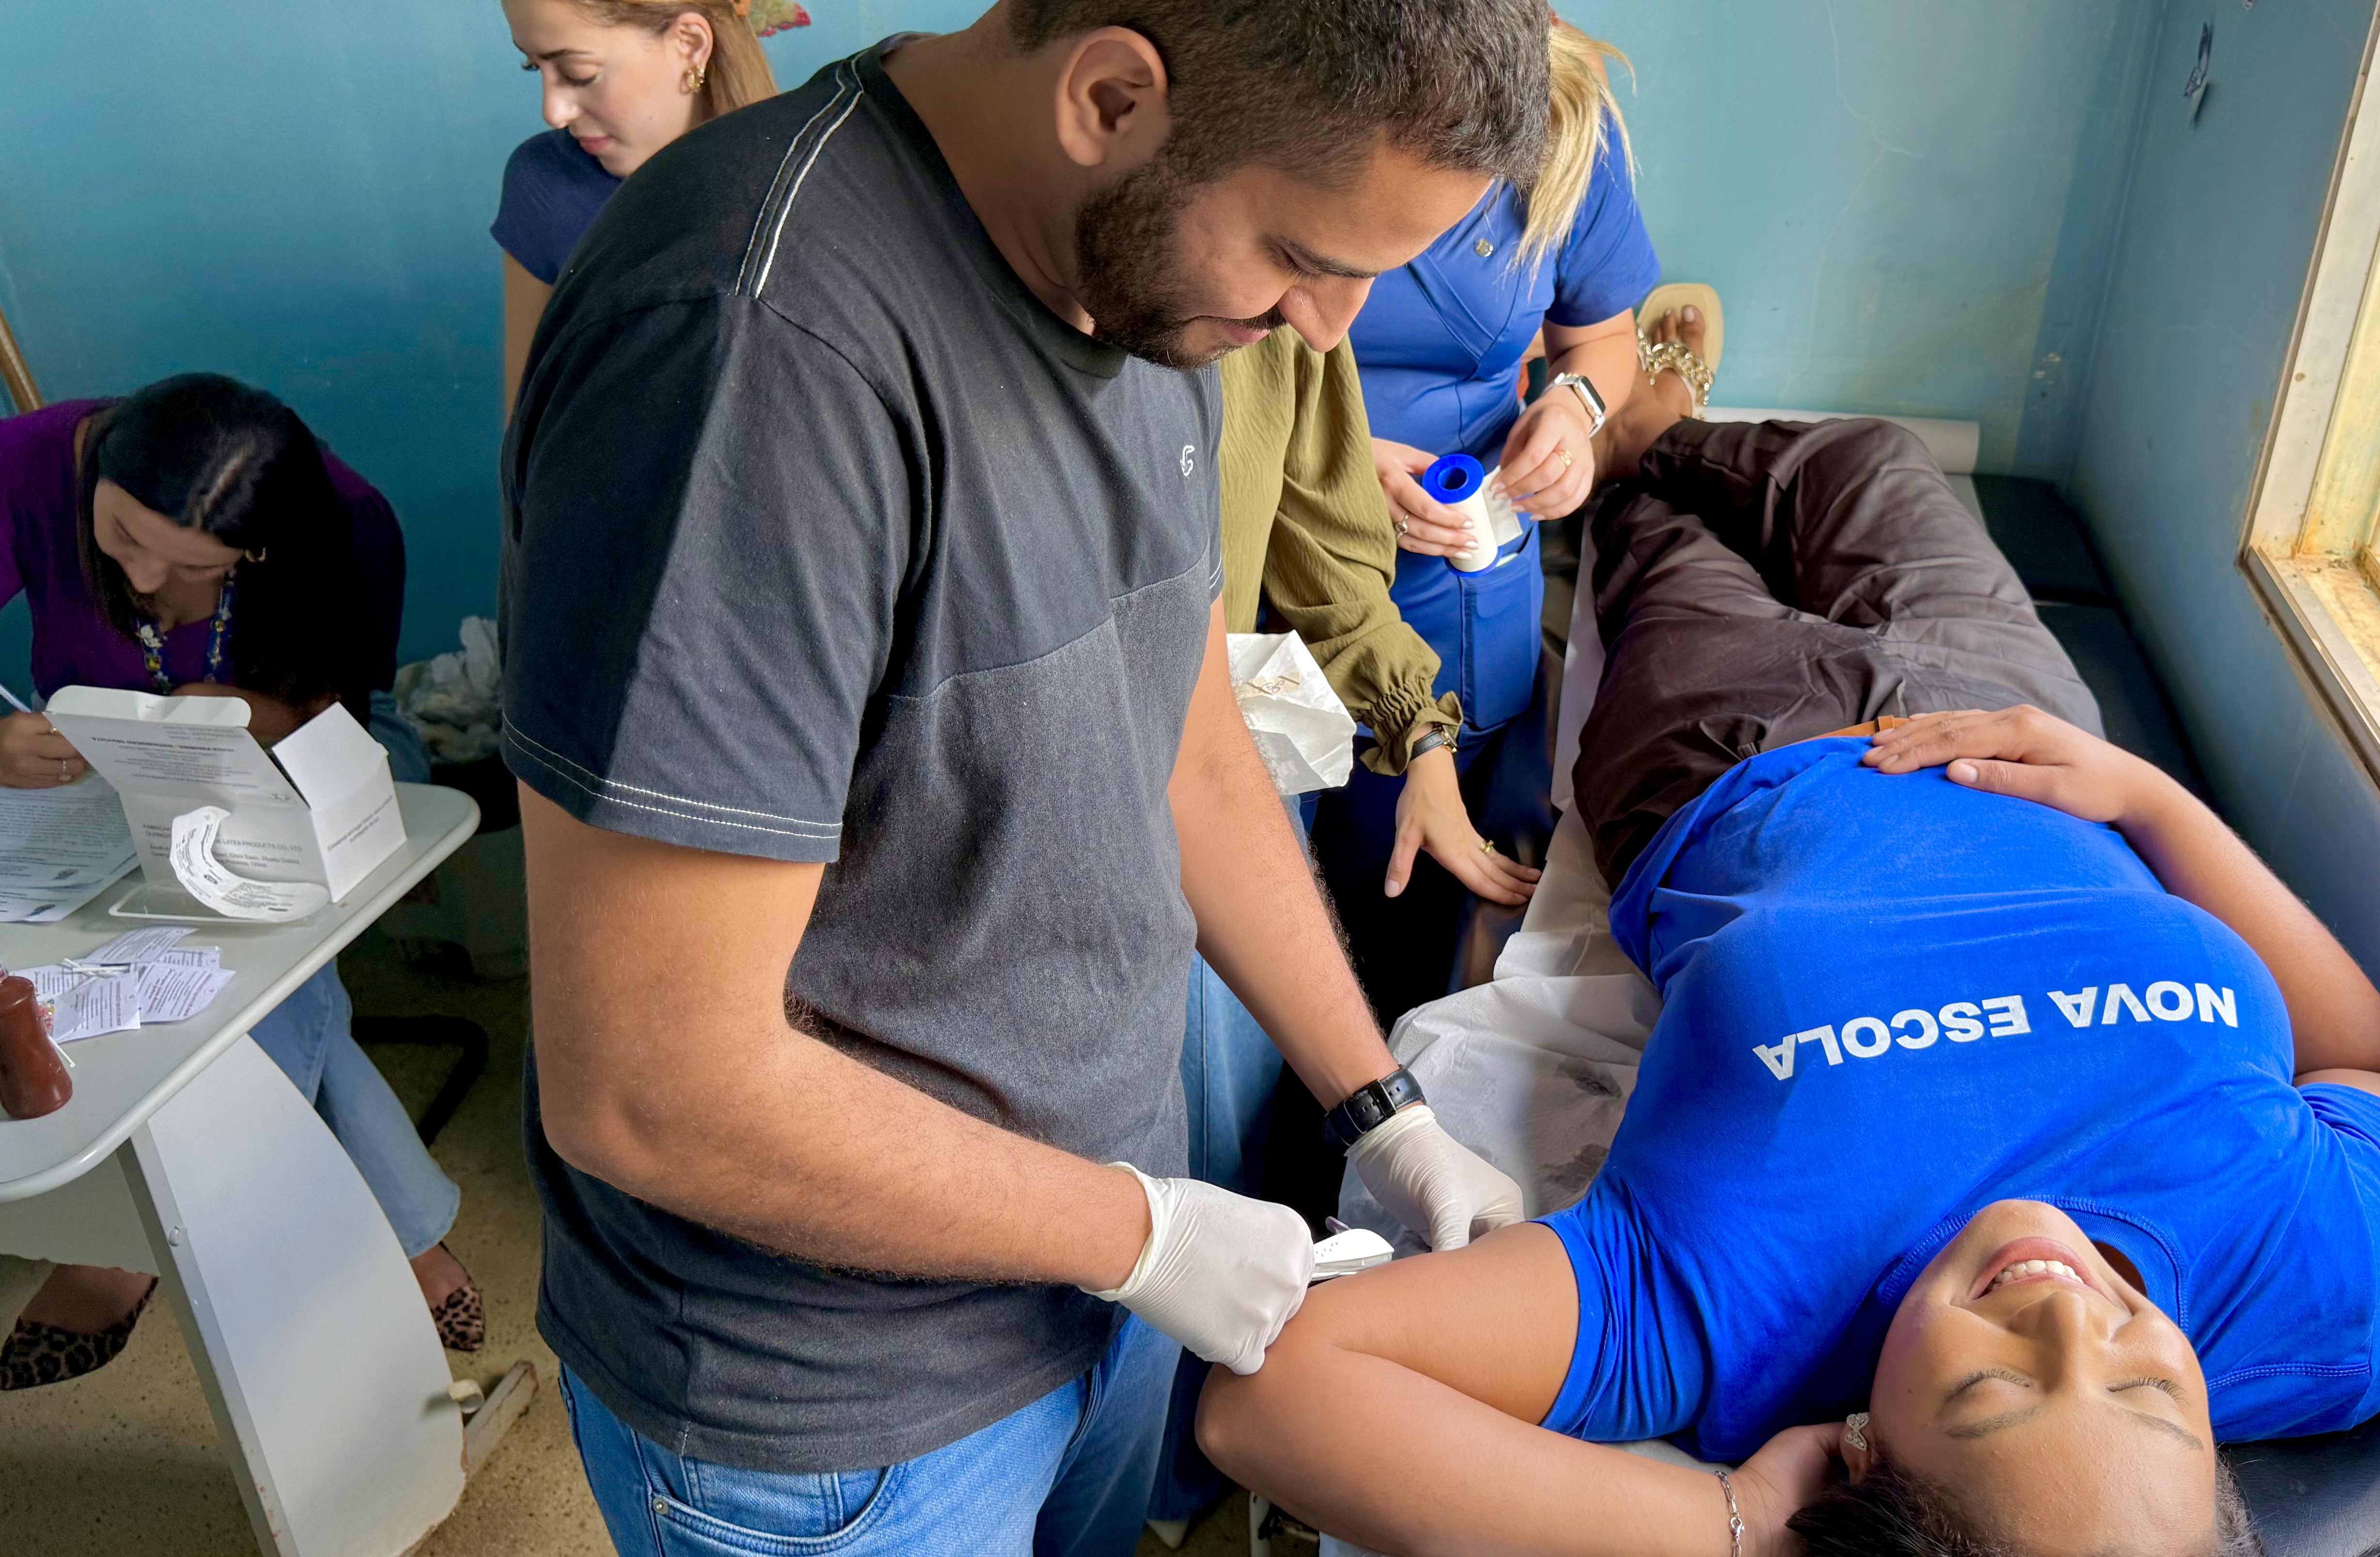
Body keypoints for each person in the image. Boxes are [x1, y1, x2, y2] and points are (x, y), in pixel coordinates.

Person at [498, 4, 1553, 1553]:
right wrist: (1140, 1234)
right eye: (1303, 256)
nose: (1329, 328)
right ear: (1111, 97)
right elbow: (652, 1086)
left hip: (1087, 1271)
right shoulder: (751, 349)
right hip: (842, 1415)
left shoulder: (1138, 282)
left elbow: (1184, 729)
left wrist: (1377, 1108)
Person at [1195, 363, 2380, 1557]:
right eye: (2149, 1389)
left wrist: (1734, 1523)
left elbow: (1272, 1391)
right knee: (1869, 460)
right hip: (2015, 727)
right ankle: (1657, 416)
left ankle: (1628, 440)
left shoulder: (1729, 1302)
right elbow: (2376, 1064)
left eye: (1996, 1385)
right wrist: (2147, 797)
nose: (2068, 1307)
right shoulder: (2331, 1296)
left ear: (1861, 1456)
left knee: (1650, 524)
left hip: (1723, 754)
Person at [0, 374, 482, 1388]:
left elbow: (345, 726)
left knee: (248, 930)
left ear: (257, 551)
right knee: (185, 957)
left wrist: (250, 714)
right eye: (120, 536)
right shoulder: (31, 463)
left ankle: (126, 1246)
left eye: (192, 566)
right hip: (101, 766)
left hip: (314, 750)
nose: (140, 577)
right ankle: (406, 1231)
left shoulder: (346, 521)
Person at [1153, 329, 1546, 1535]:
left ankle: (1176, 1464)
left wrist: (1420, 737)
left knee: (1238, 1108)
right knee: (1183, 1133)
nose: (1338, 319)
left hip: (1237, 716)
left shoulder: (1297, 333)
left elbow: (1323, 553)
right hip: (1127, 766)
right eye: (1309, 262)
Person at [1322, 19, 1660, 1025]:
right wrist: (1329, 461)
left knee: (1406, 900)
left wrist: (1576, 411)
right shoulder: (1293, 83)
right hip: (1273, 543)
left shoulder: (1566, 124)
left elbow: (1602, 338)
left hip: (1456, 576)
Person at [493, 0, 803, 411]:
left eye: (578, 73)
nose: (554, 112)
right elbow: (526, 421)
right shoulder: (547, 184)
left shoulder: (806, 195)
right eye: (534, 66)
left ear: (689, 45)